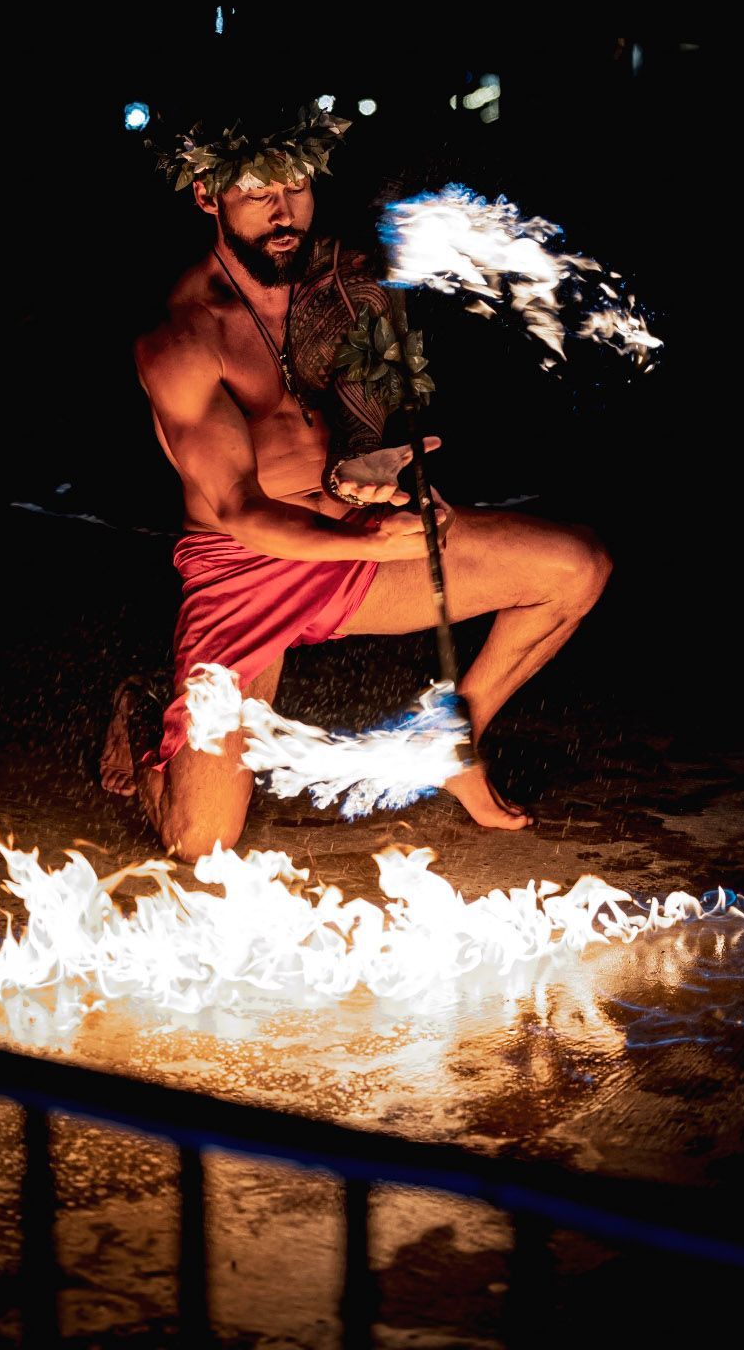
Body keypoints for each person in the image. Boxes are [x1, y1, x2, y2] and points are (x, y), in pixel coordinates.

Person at [100, 99, 611, 859]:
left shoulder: (343, 284)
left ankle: (451, 738)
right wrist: (374, 547)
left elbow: (363, 420)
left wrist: (376, 475)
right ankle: (147, 723)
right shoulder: (183, 339)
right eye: (259, 192)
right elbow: (240, 507)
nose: (285, 211)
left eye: (298, 187)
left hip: (351, 535)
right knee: (199, 845)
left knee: (577, 568)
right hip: (248, 573)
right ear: (208, 196)